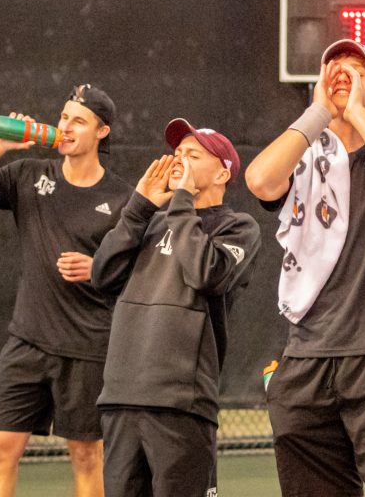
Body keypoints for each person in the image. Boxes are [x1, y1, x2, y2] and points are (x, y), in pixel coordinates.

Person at [245, 39, 365, 497]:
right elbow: (259, 180)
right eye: (334, 68)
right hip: (305, 362)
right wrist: (319, 115)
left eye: (357, 70)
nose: (343, 74)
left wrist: (356, 113)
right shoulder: (302, 158)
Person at [0, 84, 130, 497]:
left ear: (102, 132)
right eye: (63, 118)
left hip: (87, 345)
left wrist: (97, 269)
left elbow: (137, 271)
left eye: (78, 121)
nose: (65, 127)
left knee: (86, 457)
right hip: (26, 343)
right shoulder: (28, 175)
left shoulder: (122, 199)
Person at [91, 119, 260, 497]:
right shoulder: (148, 223)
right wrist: (137, 208)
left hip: (180, 403)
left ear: (222, 172)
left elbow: (206, 273)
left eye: (193, 154)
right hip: (121, 397)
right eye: (177, 152)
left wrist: (182, 201)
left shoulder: (238, 228)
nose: (179, 160)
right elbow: (102, 276)